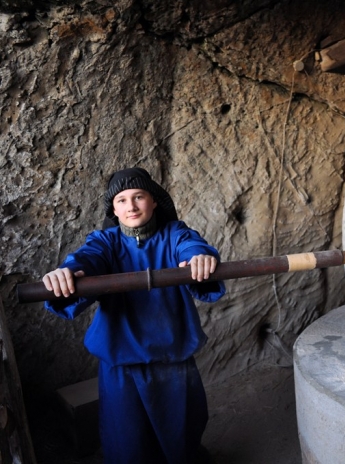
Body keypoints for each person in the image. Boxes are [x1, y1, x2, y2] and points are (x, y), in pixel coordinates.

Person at [42, 167, 225, 464]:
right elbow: (87, 259)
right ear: (113, 209)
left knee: (181, 436)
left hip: (173, 357)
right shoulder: (106, 242)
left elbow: (192, 247)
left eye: (139, 196)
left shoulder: (174, 234)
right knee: (127, 441)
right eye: (122, 200)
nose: (131, 206)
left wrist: (199, 258)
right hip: (121, 362)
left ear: (154, 201)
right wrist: (68, 273)